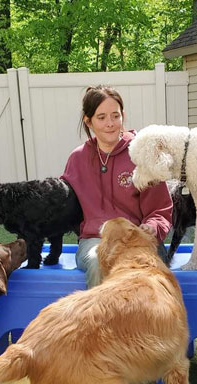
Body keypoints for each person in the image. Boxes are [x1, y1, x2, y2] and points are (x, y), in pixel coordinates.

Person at [61, 85, 173, 288]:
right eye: (101, 117)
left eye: (115, 116)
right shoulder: (77, 159)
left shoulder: (141, 154)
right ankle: (104, 320)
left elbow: (160, 209)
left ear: (123, 115)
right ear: (89, 121)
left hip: (138, 237)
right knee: (98, 262)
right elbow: (65, 208)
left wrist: (151, 227)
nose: (110, 124)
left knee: (146, 269)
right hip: (96, 240)